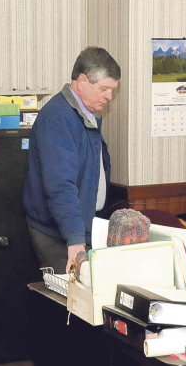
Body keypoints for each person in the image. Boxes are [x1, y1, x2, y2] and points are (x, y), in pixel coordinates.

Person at [22, 46, 121, 274]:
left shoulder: (86, 114)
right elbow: (60, 185)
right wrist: (75, 241)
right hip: (59, 233)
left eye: (112, 90)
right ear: (83, 80)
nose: (109, 96)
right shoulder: (58, 117)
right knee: (69, 304)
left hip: (80, 228)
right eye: (104, 88)